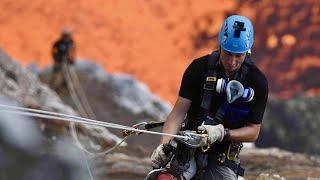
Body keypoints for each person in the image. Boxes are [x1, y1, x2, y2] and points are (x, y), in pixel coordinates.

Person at [150, 15, 268, 180]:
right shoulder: (199, 68)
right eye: (228, 53)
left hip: (223, 153)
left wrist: (222, 133)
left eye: (238, 56)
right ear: (220, 46)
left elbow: (253, 132)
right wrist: (164, 146)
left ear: (247, 52)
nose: (232, 61)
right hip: (188, 144)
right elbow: (178, 113)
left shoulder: (257, 82)